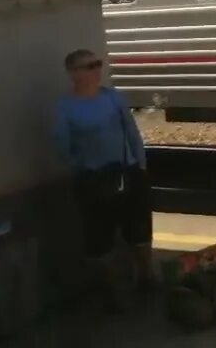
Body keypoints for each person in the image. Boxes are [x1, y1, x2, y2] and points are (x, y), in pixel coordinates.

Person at [52, 48, 154, 311]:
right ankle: (117, 289)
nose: (97, 70)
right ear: (73, 73)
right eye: (89, 66)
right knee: (99, 238)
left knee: (139, 228)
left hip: (126, 171)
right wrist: (82, 168)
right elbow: (62, 145)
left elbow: (131, 130)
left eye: (98, 64)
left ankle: (147, 278)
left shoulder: (113, 97)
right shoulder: (66, 107)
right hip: (94, 179)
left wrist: (140, 164)